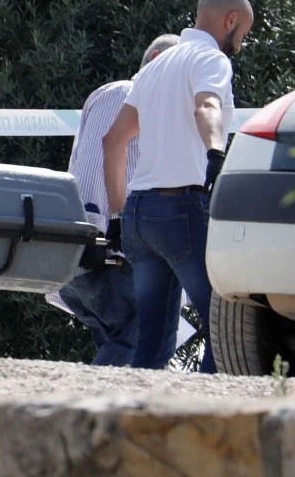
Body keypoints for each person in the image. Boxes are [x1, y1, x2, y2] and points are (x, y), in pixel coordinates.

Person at [102, 0, 253, 373]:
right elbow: (207, 105)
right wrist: (216, 154)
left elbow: (113, 140)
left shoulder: (152, 68)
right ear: (230, 21)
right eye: (243, 35)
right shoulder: (211, 59)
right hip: (180, 208)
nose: (240, 44)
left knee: (150, 344)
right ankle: (205, 417)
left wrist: (117, 217)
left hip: (137, 214)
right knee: (227, 329)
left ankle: (134, 422)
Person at [50, 33, 180, 366]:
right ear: (154, 63)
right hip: (110, 251)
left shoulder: (109, 95)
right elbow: (100, 166)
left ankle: (95, 414)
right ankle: (83, 412)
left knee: (123, 345)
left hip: (84, 252)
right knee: (141, 342)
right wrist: (115, 228)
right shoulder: (131, 96)